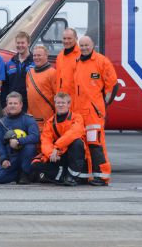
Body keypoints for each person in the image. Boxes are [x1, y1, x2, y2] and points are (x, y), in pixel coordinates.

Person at [74, 36, 118, 186]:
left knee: (96, 144)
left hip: (94, 113)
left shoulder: (101, 61)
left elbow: (112, 85)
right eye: (82, 45)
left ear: (93, 45)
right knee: (82, 144)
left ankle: (102, 176)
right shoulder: (78, 61)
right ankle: (86, 175)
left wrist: (102, 107)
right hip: (79, 112)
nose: (84, 47)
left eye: (87, 45)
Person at [31, 92, 86, 186]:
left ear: (69, 104)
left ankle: (72, 176)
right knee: (35, 166)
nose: (60, 105)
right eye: (58, 103)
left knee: (77, 143)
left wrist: (57, 148)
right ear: (55, 104)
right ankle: (61, 175)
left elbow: (73, 133)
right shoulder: (50, 122)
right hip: (57, 155)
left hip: (72, 153)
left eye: (63, 103)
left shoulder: (77, 118)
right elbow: (45, 140)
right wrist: (50, 153)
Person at [0, 92, 40, 184]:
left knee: (30, 147)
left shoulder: (28, 119)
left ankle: (25, 173)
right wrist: (4, 159)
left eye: (15, 103)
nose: (13, 106)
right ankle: (18, 174)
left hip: (25, 155)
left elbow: (35, 136)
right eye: (10, 103)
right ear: (6, 105)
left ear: (21, 105)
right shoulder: (2, 122)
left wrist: (19, 141)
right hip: (11, 157)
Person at [1, 31, 34, 113]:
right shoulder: (9, 63)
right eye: (18, 43)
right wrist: (4, 106)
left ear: (28, 43)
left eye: (22, 43)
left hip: (30, 105)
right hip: (13, 105)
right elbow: (5, 86)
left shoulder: (35, 62)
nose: (20, 45)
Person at [26, 45, 56, 131]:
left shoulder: (52, 73)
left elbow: (57, 96)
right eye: (35, 55)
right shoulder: (30, 73)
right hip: (32, 117)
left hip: (47, 118)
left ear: (46, 56)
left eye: (39, 55)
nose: (36, 58)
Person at [56, 28, 80, 101]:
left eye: (69, 38)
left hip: (75, 99)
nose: (66, 41)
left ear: (76, 38)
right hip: (61, 99)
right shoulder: (60, 56)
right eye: (64, 38)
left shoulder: (81, 55)